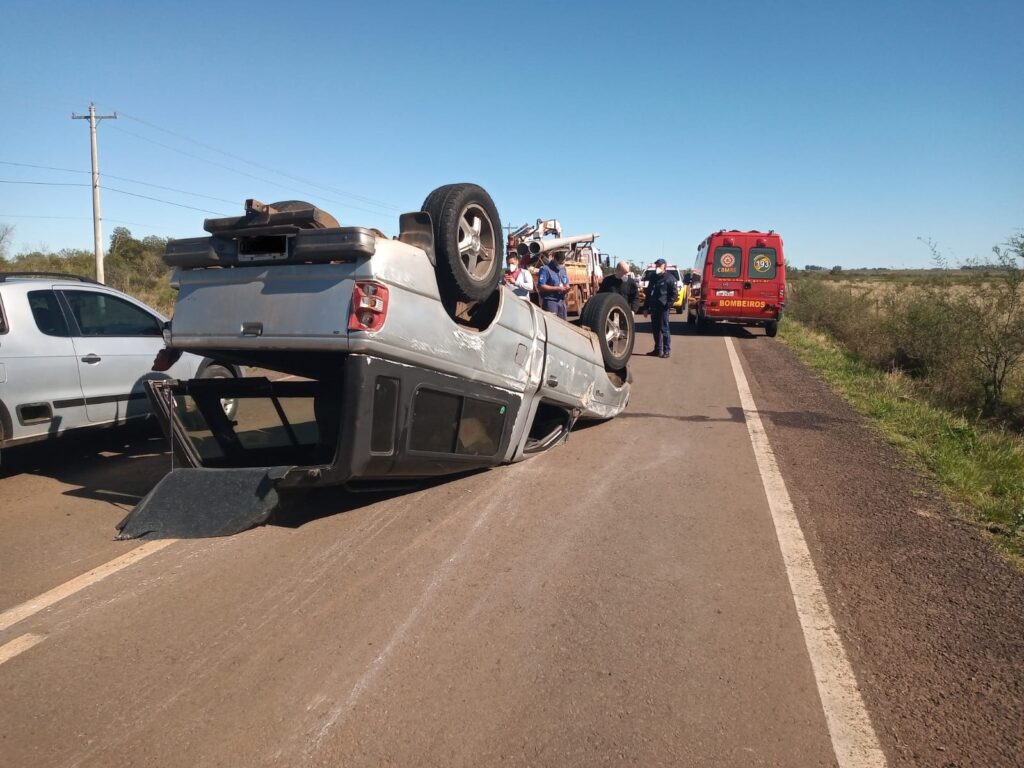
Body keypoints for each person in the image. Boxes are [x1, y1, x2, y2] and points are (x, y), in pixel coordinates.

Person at [643, 258, 678, 358]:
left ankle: (666, 350)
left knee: (664, 329)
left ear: (664, 266)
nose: (657, 267)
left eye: (659, 265)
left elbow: (674, 294)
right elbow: (649, 293)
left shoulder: (669, 278)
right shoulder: (653, 277)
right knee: (655, 329)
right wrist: (646, 308)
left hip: (663, 308)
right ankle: (657, 350)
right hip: (653, 307)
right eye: (656, 265)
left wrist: (668, 305)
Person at [537, 251, 570, 319]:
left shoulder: (563, 269)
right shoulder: (545, 269)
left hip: (561, 301)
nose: (561, 264)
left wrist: (567, 287)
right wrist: (557, 288)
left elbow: (566, 282)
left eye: (563, 263)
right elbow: (541, 286)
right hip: (550, 301)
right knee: (552, 323)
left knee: (563, 324)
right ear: (554, 260)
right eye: (560, 263)